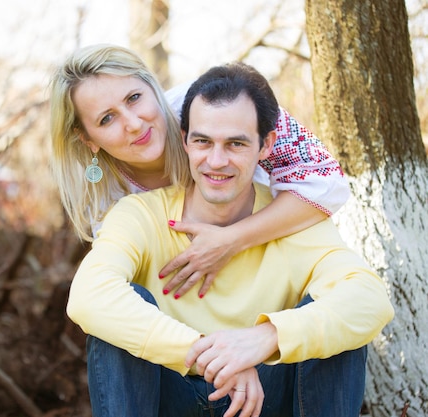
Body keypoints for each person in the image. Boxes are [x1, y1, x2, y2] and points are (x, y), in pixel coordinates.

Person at [66, 62, 394, 417]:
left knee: (334, 324)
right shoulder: (134, 213)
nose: (217, 161)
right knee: (114, 325)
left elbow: (370, 298)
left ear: (267, 145)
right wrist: (209, 354)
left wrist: (266, 339)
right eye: (203, 141)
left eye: (235, 143)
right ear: (185, 140)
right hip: (172, 390)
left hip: (267, 396)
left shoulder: (295, 219)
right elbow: (88, 297)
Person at [49, 44, 350, 298]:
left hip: (276, 280)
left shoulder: (212, 103)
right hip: (192, 310)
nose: (134, 123)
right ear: (87, 138)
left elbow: (327, 181)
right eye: (106, 119)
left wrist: (232, 239)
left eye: (134, 98)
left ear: (152, 87)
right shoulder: (102, 197)